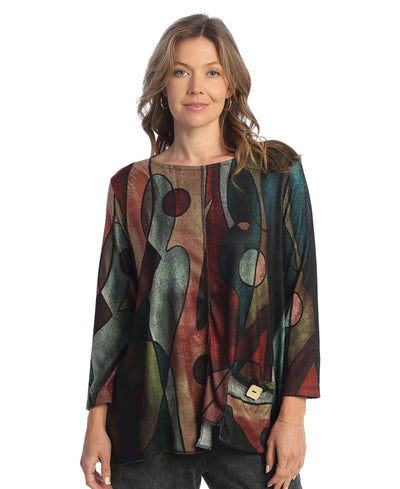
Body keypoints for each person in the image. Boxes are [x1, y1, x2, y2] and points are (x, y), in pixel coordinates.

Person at [80, 13, 320, 489]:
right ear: (163, 85)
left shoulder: (275, 173)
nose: (196, 87)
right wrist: (95, 424)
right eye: (181, 71)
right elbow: (114, 311)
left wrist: (293, 418)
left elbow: (301, 297)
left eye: (212, 72)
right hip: (148, 423)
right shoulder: (130, 186)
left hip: (253, 418)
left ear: (230, 85)